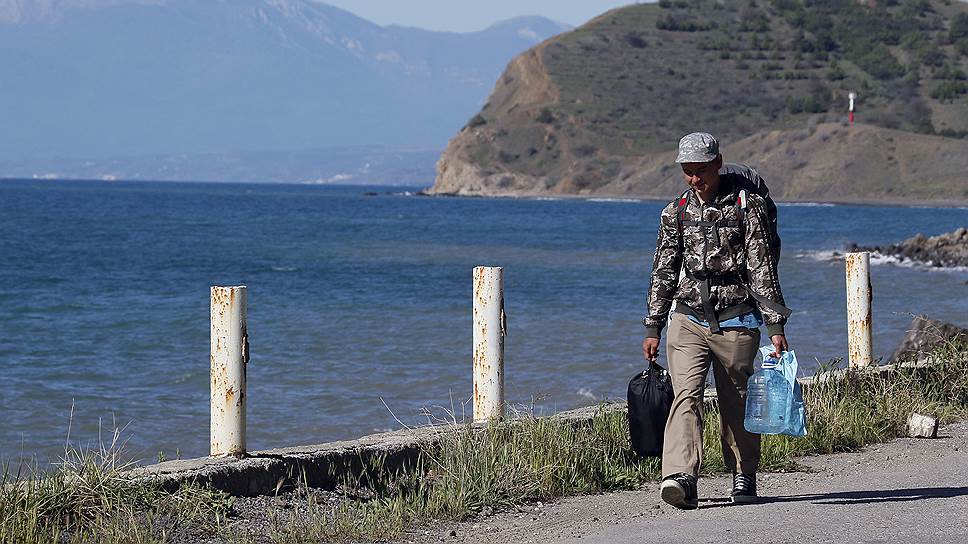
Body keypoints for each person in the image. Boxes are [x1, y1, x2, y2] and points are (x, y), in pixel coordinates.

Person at [642, 132, 791, 510]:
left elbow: (762, 268)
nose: (696, 179)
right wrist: (653, 326)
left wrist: (775, 326)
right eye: (688, 172)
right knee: (685, 396)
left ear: (719, 163)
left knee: (736, 400)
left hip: (737, 319)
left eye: (702, 170)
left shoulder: (747, 207)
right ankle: (681, 477)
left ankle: (743, 473)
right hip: (688, 318)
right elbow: (663, 271)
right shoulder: (674, 211)